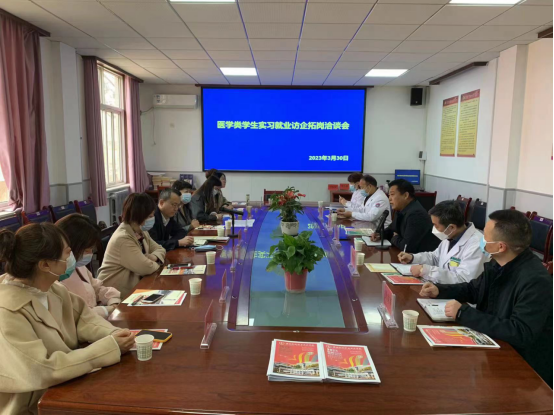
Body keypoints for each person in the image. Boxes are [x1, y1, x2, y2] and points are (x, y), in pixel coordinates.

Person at [0, 224, 135, 414]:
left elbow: (84, 319)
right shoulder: (7, 310)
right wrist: (109, 348)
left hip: (66, 386)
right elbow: (44, 370)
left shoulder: (54, 289)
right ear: (45, 265)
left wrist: (114, 334)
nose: (70, 258)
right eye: (67, 252)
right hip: (31, 407)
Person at [420, 209, 553, 388]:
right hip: (493, 346)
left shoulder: (535, 280)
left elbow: (521, 332)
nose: (481, 239)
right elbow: (474, 289)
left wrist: (464, 314)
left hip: (523, 370)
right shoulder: (498, 263)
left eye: (485, 237)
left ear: (501, 246)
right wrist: (440, 290)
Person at [398, 201, 487, 284]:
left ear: (451, 227)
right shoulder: (450, 235)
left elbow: (464, 280)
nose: (434, 229)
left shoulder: (477, 245)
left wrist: (426, 271)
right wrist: (413, 258)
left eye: (436, 226)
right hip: (442, 288)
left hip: (460, 294)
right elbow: (435, 257)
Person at [98, 193, 166, 298]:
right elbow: (146, 267)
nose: (153, 218)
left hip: (135, 286)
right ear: (138, 216)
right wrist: (157, 262)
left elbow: (160, 249)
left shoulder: (141, 231)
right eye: (150, 216)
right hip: (114, 295)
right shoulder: (123, 238)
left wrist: (154, 257)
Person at [56, 214, 122, 319]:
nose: (91, 253)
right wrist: (106, 310)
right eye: (87, 249)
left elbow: (97, 288)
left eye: (92, 249)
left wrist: (113, 301)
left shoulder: (78, 266)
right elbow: (75, 315)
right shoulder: (55, 278)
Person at [371, 179, 440, 254]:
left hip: (420, 257)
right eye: (389, 195)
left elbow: (406, 247)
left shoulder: (416, 214)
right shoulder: (402, 209)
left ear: (406, 195)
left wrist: (395, 238)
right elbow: (392, 230)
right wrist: (380, 235)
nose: (389, 198)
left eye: (392, 194)